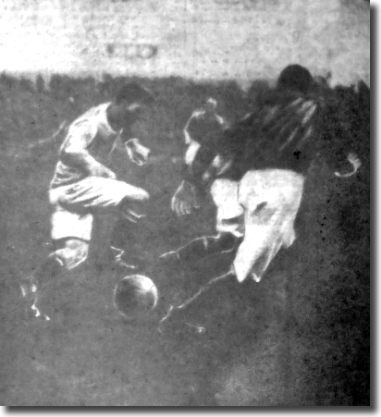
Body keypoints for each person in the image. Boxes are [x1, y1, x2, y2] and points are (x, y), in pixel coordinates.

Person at [160, 64, 361, 323]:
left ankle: (173, 261)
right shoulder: (316, 108)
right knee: (245, 275)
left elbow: (213, 141)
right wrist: (348, 167)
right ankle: (180, 318)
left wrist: (189, 183)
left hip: (248, 184)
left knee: (231, 241)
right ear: (307, 88)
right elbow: (338, 158)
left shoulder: (261, 113)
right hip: (281, 189)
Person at [20, 83, 156, 320]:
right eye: (135, 112)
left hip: (68, 194)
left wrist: (132, 144)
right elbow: (68, 151)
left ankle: (30, 287)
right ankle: (117, 250)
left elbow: (123, 127)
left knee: (74, 253)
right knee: (139, 197)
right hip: (74, 187)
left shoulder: (114, 114)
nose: (137, 118)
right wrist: (95, 167)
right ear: (121, 102)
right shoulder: (89, 124)